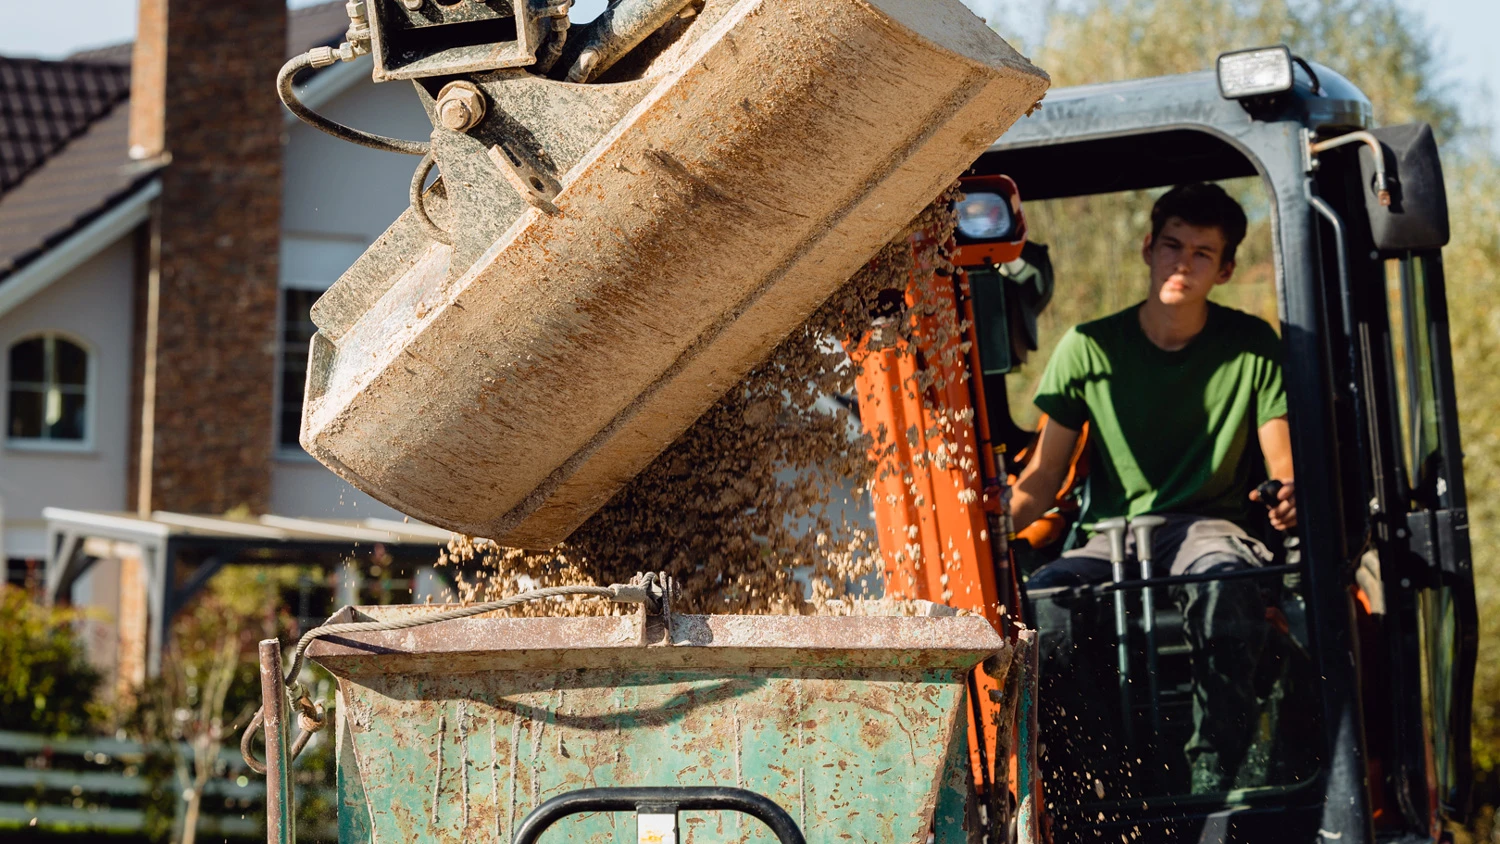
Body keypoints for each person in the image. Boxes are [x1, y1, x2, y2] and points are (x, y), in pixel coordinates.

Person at [1010, 182, 1298, 795]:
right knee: (1045, 601)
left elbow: (1284, 466)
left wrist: (1290, 495)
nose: (1181, 264)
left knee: (1227, 584)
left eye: (1201, 253)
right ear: (1147, 248)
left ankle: (1213, 773)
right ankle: (1091, 781)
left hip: (1210, 529)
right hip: (1107, 537)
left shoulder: (1251, 347)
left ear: (1224, 269)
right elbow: (1038, 485)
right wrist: (985, 526)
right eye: (1172, 246)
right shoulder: (1087, 348)